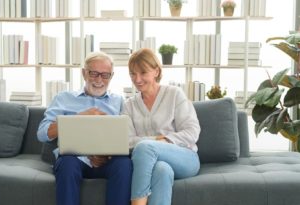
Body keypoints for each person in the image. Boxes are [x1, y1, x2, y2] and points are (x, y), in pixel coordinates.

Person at [37, 52, 132, 205]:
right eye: (94, 73)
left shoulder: (119, 101)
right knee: (67, 163)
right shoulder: (63, 98)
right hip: (73, 160)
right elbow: (42, 133)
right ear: (84, 73)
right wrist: (79, 118)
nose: (99, 80)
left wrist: (107, 155)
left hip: (106, 161)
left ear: (111, 76)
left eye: (105, 75)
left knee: (124, 164)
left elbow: (127, 136)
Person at [122, 48, 201, 205]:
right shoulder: (129, 105)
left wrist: (161, 142)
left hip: (185, 158)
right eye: (133, 73)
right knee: (161, 170)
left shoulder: (174, 94)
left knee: (145, 147)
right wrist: (155, 139)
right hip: (153, 164)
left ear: (156, 71)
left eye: (143, 72)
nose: (137, 79)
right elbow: (127, 142)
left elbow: (192, 131)